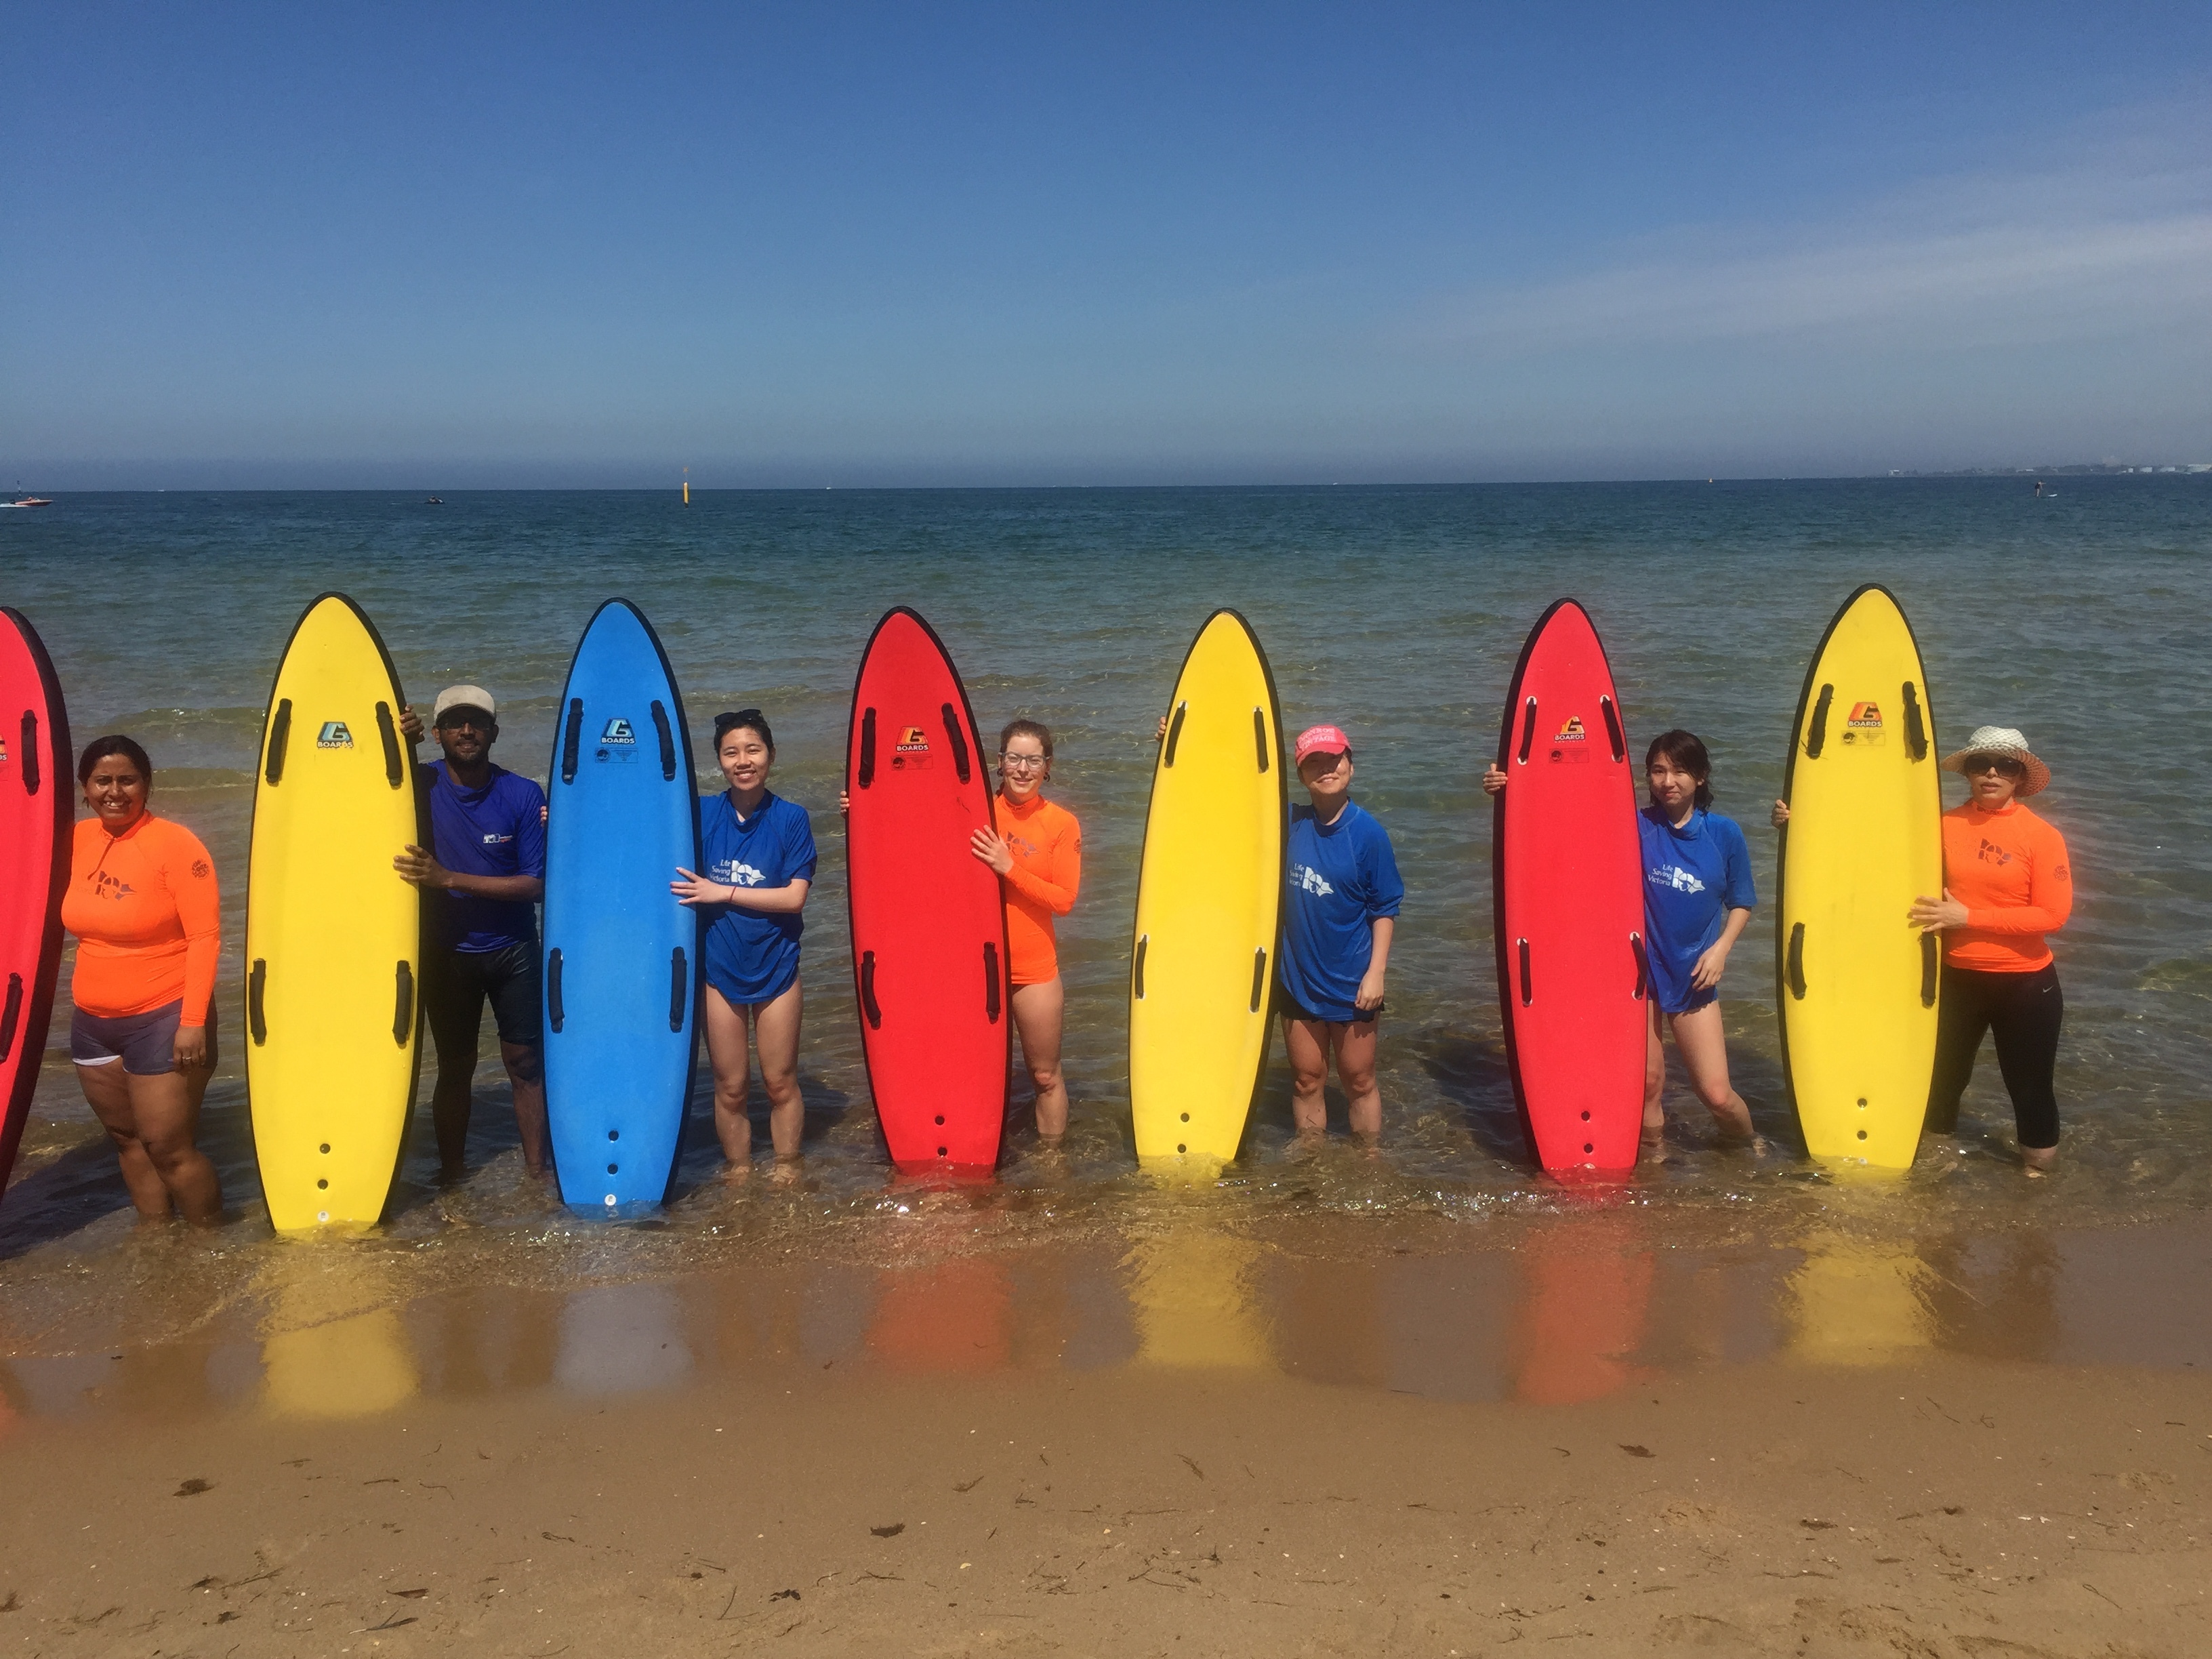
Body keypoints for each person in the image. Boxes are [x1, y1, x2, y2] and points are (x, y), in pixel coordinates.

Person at [1485, 729, 1758, 1155]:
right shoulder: (1633, 826)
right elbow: (1564, 823)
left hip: (1693, 975)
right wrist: (1510, 788)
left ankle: (1746, 1146)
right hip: (1637, 977)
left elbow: (1741, 901)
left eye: (1680, 771)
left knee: (1717, 1095)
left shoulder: (1724, 835)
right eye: (1658, 771)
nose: (1668, 781)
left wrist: (1720, 949)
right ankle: (1655, 1162)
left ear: (1701, 777)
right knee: (1647, 1086)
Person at [61, 736, 223, 1223]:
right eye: (102, 781)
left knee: (168, 1148)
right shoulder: (76, 840)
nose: (115, 791)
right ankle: (156, 1243)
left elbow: (206, 938)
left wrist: (192, 1022)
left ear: (147, 785)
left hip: (164, 1015)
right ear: (84, 788)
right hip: (92, 1021)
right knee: (129, 1142)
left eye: (127, 780)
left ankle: (207, 1245)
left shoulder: (177, 845)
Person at [393, 687, 549, 1179]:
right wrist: (398, 743)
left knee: (525, 1064)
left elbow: (536, 884)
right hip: (447, 952)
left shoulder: (523, 794)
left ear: (494, 733)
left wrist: (449, 879)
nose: (467, 731)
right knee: (454, 1069)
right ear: (437, 733)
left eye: (477, 722)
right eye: (455, 723)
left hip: (513, 949)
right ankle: (452, 1177)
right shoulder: (414, 785)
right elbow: (355, 788)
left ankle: (536, 1172)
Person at [672, 710, 816, 1181]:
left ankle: (787, 1167)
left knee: (779, 1083)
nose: (743, 761)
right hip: (719, 972)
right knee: (730, 1087)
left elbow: (794, 899)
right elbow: (640, 822)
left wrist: (724, 892)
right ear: (719, 760)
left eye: (753, 750)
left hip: (776, 969)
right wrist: (558, 813)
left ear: (771, 755)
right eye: (731, 752)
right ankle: (739, 1171)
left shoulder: (791, 819)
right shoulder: (700, 813)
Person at [1279, 725, 1403, 1143]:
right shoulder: (1287, 824)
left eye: (1333, 759)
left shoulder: (1368, 835)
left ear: (1350, 763)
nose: (1326, 768)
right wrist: (1178, 742)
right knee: (1306, 1081)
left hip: (1353, 980)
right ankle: (1314, 1166)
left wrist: (1377, 973)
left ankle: (1367, 1166)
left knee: (1360, 1081)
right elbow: (1226, 792)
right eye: (1313, 762)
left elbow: (1384, 907)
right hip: (1298, 978)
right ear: (1299, 774)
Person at [968, 718, 1082, 1141]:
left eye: (1033, 760)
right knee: (975, 1074)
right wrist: (860, 806)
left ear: (1047, 767)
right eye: (1014, 758)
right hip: (976, 964)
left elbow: (1064, 900)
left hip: (1033, 967)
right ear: (999, 762)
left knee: (1045, 1075)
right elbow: (914, 822)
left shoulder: (1061, 823)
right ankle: (977, 1157)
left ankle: (1053, 1166)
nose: (1022, 769)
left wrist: (1009, 868)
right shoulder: (975, 809)